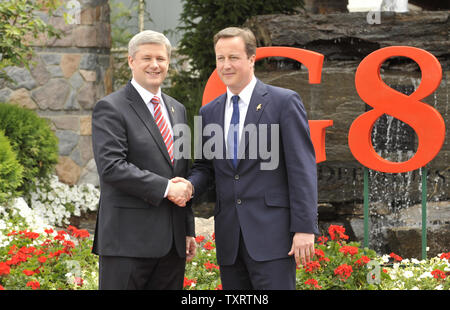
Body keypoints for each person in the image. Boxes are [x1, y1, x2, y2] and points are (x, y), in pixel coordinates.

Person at [177, 27, 319, 290]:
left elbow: (302, 168)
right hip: (231, 242)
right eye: (220, 58)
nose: (226, 65)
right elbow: (205, 168)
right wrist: (189, 186)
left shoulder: (284, 102)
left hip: (274, 240)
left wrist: (304, 228)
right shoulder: (209, 111)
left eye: (234, 57)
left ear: (252, 59)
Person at [91, 30, 196, 290]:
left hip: (171, 246)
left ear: (168, 63)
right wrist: (167, 188)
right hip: (127, 243)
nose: (154, 65)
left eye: (161, 58)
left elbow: (181, 170)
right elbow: (112, 167)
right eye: (146, 58)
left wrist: (187, 228)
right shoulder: (111, 108)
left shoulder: (177, 109)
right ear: (131, 61)